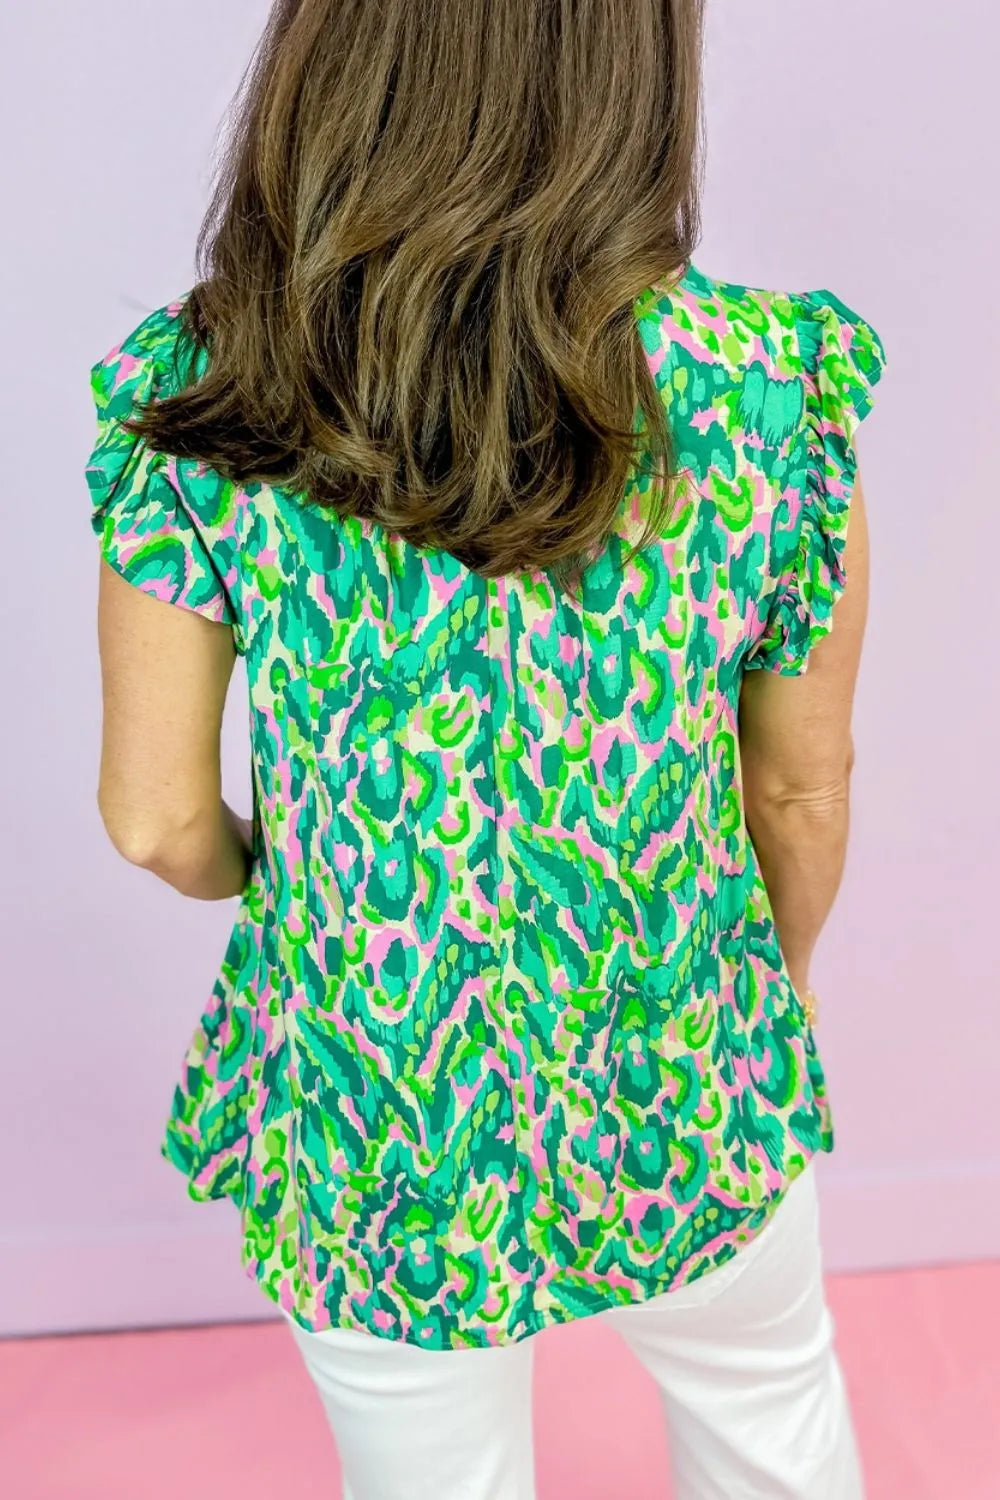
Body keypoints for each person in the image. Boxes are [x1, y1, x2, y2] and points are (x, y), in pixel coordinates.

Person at [85, 2, 886, 1496]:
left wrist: (286, 881)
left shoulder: (214, 388)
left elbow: (155, 819)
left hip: (373, 1096)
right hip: (682, 1051)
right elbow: (800, 786)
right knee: (771, 1423)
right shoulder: (768, 383)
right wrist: (762, 995)